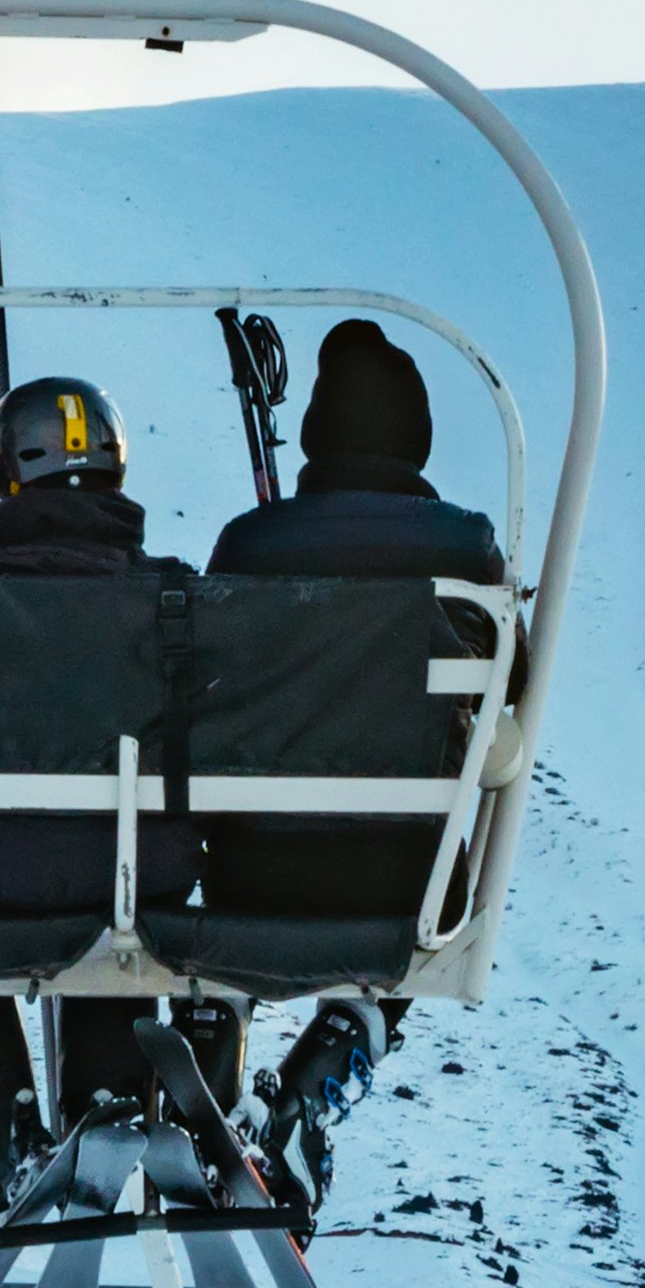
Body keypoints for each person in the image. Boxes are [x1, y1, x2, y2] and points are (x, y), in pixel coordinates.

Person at [0, 379, 219, 1230]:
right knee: (114, 915)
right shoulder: (177, 602)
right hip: (137, 879)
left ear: (5, 476)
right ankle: (105, 1098)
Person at [198, 321, 509, 1190]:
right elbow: (503, 689)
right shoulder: (467, 548)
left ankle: (215, 1030)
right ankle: (314, 1085)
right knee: (416, 930)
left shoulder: (251, 544)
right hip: (404, 882)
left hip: (252, 872)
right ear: (417, 438)